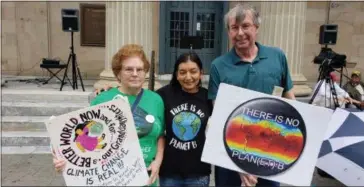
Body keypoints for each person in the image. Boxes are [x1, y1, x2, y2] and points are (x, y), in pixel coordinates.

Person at [207, 3, 295, 187]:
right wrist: (240, 164)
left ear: (257, 28)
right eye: (234, 27)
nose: (240, 33)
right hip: (232, 156)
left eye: (245, 26)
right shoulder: (218, 65)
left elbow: (290, 99)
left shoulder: (277, 56)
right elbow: (221, 117)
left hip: (270, 152)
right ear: (228, 32)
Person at [52, 44, 165, 186]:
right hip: (113, 178)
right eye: (129, 69)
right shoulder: (102, 100)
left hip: (147, 178)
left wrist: (157, 162)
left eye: (140, 69)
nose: (135, 73)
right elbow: (85, 136)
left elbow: (160, 135)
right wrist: (64, 161)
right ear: (118, 73)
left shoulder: (156, 100)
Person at [156, 52, 212, 186]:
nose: (188, 77)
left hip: (199, 172)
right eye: (182, 72)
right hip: (169, 172)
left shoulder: (208, 97)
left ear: (201, 73)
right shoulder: (163, 95)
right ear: (176, 74)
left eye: (193, 71)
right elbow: (142, 101)